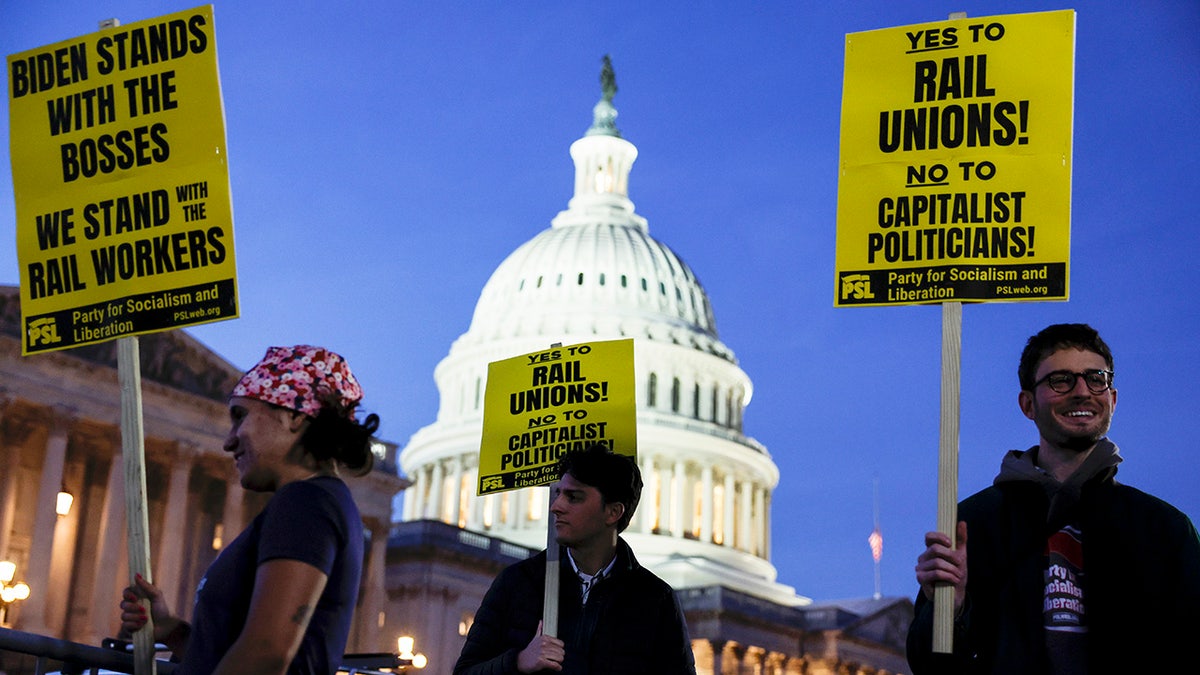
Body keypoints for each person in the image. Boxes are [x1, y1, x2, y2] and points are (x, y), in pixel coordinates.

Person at [907, 323, 1200, 674]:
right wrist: (949, 609)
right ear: (1028, 404)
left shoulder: (1163, 528)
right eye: (1060, 380)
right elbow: (930, 665)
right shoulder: (973, 523)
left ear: (1113, 398)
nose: (1082, 391)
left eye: (1096, 378)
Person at [118, 345, 379, 675]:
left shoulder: (305, 504)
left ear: (294, 416)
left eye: (240, 417)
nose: (228, 441)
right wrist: (172, 630)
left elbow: (266, 653)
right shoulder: (317, 501)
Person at [454, 444, 696, 674]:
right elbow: (465, 671)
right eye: (558, 493)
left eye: (574, 497)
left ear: (613, 512)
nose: (555, 506)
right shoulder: (517, 582)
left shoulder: (655, 599)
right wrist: (518, 661)